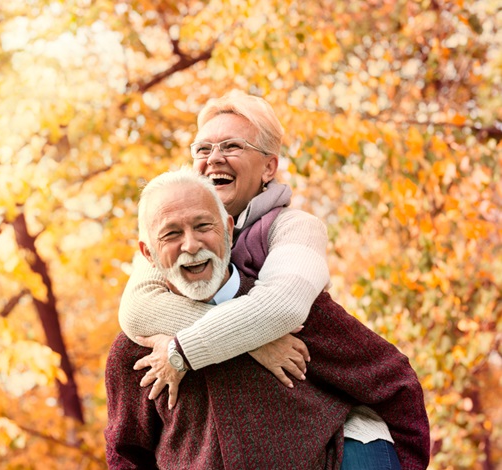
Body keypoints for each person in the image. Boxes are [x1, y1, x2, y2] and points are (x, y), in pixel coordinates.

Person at [117, 91, 429, 468]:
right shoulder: (170, 240)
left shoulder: (294, 228)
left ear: (268, 168)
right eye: (203, 148)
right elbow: (138, 309)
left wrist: (184, 350)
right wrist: (254, 346)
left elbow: (281, 308)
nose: (214, 158)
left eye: (232, 146)